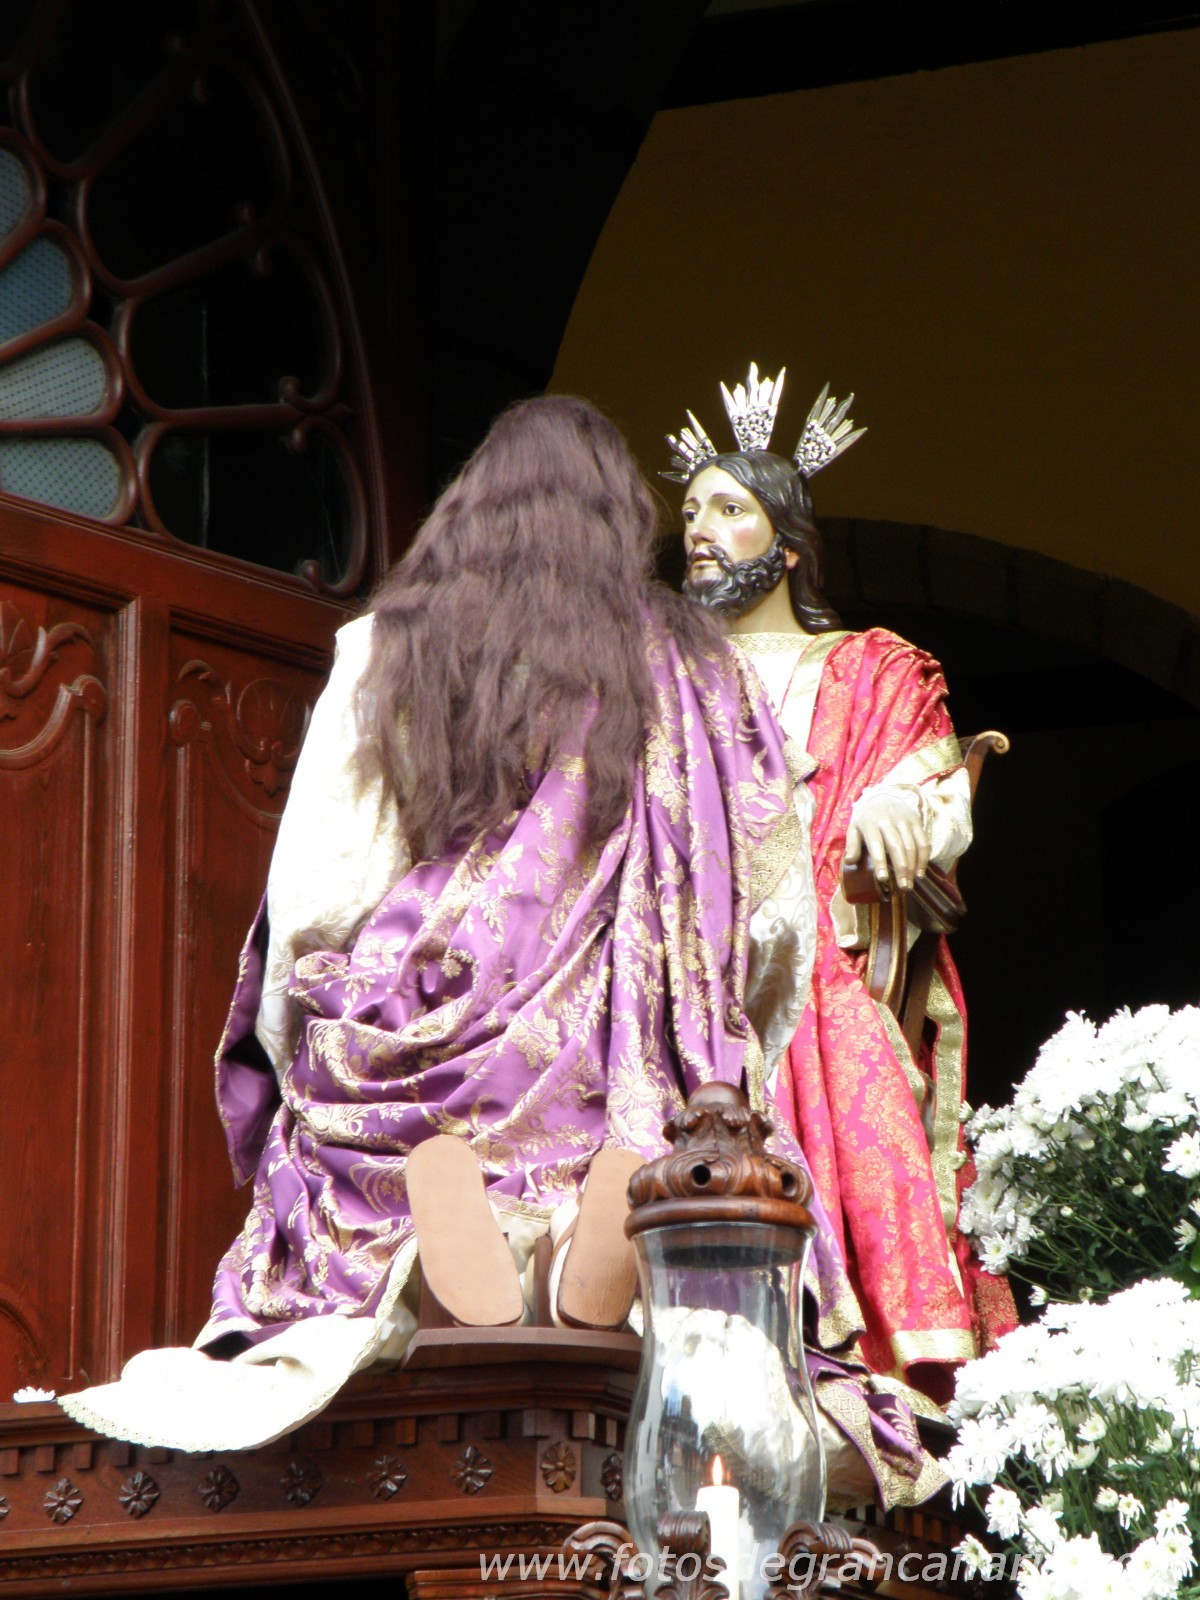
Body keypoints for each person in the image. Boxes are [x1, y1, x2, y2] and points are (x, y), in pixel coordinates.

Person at [60, 394, 867, 1465]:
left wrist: (304, 1037)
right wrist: (725, 1036)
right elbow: (771, 910)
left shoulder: (388, 643)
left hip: (436, 1015)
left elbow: (324, 881)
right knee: (651, 1133)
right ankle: (584, 1235)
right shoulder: (698, 664)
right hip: (614, 1041)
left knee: (373, 1161)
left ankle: (431, 1253)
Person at [667, 365, 1017, 1406]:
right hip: (679, 970)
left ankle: (870, 1384)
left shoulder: (871, 667)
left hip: (821, 960)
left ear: (788, 544)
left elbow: (938, 790)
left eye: (728, 510)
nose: (699, 531)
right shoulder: (655, 677)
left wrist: (896, 805)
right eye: (690, 512)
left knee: (865, 1110)